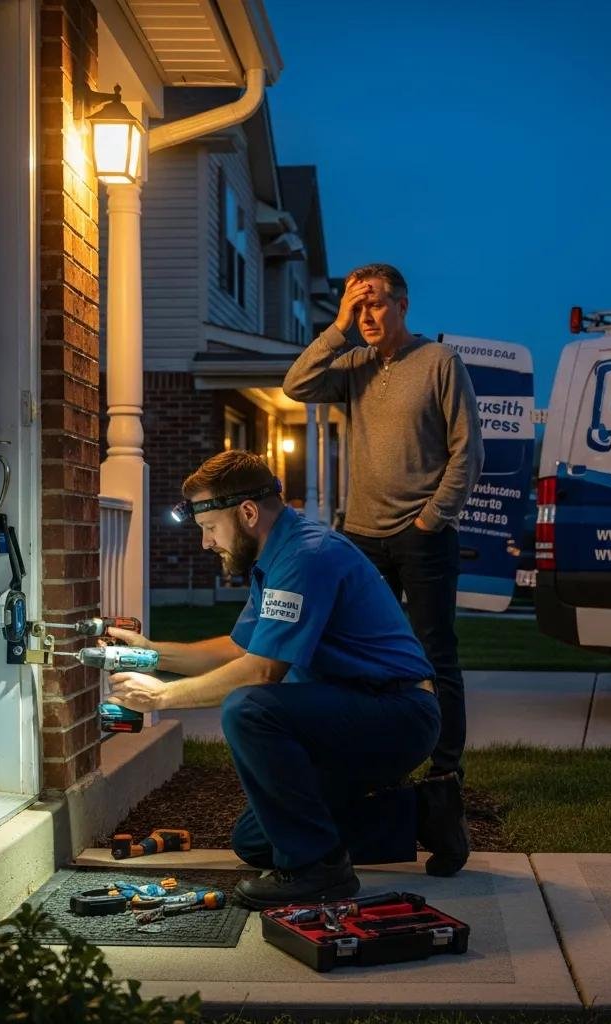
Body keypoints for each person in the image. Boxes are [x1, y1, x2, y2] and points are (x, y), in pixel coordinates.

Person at [104, 450, 471, 909]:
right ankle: (425, 816)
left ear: (248, 513)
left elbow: (261, 672)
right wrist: (154, 653)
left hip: (396, 713)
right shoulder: (278, 553)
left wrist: (163, 695)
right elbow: (241, 649)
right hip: (352, 708)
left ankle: (320, 873)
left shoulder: (306, 556)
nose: (206, 544)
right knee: (257, 843)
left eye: (210, 528)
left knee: (250, 707)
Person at [283, 263, 484, 788]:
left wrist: (430, 519)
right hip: (362, 538)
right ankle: (373, 764)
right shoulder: (354, 363)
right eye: (357, 304)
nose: (366, 315)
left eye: (374, 303)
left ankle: (445, 773)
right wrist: (339, 323)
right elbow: (295, 384)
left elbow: (468, 450)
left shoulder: (439, 360)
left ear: (402, 305)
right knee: (357, 654)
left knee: (434, 652)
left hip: (423, 537)